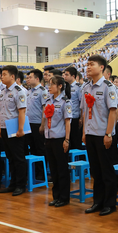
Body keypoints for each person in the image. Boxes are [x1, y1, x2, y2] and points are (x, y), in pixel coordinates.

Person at [81, 55, 118, 216]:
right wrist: (84, 132)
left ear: (102, 67)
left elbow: (113, 111)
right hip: (90, 133)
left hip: (104, 134)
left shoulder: (108, 87)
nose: (88, 67)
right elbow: (85, 111)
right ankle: (98, 201)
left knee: (107, 171)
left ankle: (110, 204)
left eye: (92, 65)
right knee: (95, 171)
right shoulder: (86, 87)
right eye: (87, 64)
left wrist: (108, 133)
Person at [42, 75, 72, 207]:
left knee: (62, 169)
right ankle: (56, 195)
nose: (49, 87)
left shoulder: (66, 101)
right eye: (48, 84)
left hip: (60, 139)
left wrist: (67, 139)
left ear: (60, 86)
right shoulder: (48, 100)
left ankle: (64, 197)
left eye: (52, 84)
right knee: (53, 169)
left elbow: (67, 122)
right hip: (49, 138)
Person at [0, 65, 28, 196]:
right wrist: (0, 127)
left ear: (12, 76)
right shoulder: (3, 91)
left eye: (4, 74)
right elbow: (2, 111)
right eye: (1, 74)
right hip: (5, 127)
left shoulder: (19, 91)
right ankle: (13, 183)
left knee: (18, 158)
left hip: (15, 128)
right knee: (10, 157)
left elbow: (22, 111)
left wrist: (21, 129)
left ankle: (21, 185)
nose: (1, 77)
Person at [25, 70, 47, 177]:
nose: (27, 79)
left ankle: (41, 173)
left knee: (40, 149)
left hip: (38, 123)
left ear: (37, 79)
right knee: (32, 149)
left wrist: (43, 125)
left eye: (30, 77)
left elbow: (45, 109)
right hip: (28, 124)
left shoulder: (43, 91)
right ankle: (34, 172)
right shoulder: (29, 91)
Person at [63, 66, 82, 150]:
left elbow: (82, 103)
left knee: (75, 142)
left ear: (73, 76)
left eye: (67, 75)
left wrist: (81, 118)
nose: (64, 76)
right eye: (64, 74)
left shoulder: (79, 87)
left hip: (75, 118)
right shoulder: (64, 87)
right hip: (66, 118)